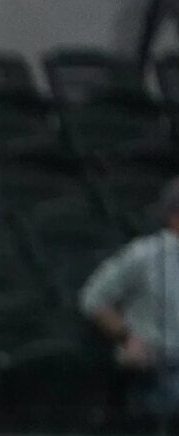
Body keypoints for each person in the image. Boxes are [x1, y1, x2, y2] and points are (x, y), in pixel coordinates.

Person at [80, 177, 179, 423]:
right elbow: (93, 298)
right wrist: (128, 338)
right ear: (174, 216)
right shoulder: (144, 255)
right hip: (157, 367)